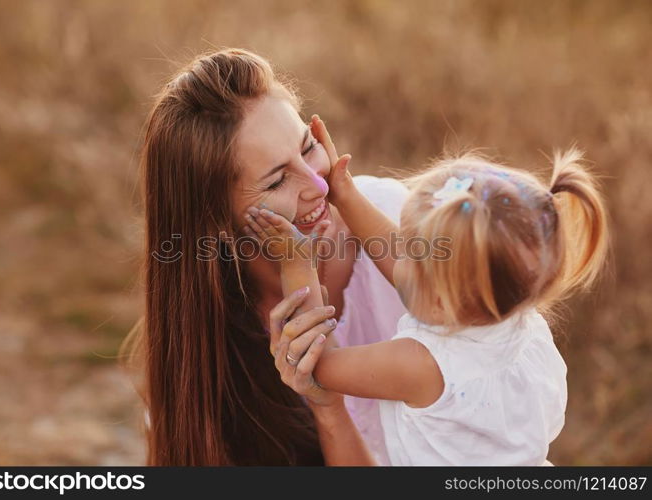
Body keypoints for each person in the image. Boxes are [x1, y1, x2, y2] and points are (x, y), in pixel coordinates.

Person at [123, 48, 409, 465]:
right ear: (217, 220)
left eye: (309, 147)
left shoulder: (394, 220)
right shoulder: (206, 342)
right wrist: (327, 409)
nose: (318, 185)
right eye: (277, 181)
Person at [243, 146, 609, 465]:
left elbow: (317, 363)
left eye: (411, 256)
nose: (397, 254)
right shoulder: (508, 312)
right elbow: (408, 265)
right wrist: (346, 194)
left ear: (438, 298)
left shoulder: (424, 365)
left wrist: (296, 263)